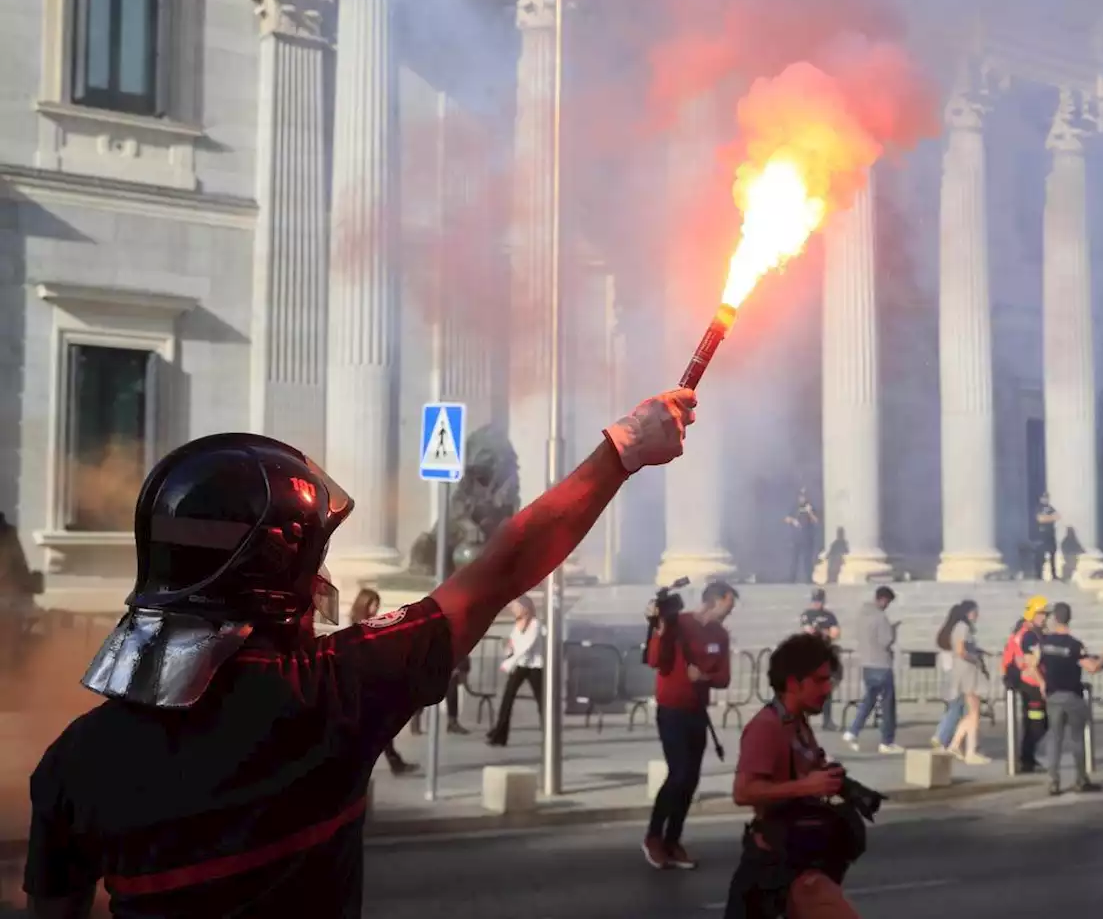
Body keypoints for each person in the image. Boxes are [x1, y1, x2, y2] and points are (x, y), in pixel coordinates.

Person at [22, 389, 696, 918]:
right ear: (272, 579)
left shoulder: (74, 761)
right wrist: (624, 449)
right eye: (311, 562)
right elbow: (503, 566)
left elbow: (55, 910)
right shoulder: (333, 694)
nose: (322, 583)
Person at [723, 632, 859, 919]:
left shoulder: (798, 723)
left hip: (798, 861)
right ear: (794, 683)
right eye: (820, 681)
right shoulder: (767, 727)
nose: (828, 689)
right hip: (770, 872)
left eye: (829, 680)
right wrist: (806, 785)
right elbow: (743, 792)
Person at [642, 580, 737, 871]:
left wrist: (704, 677)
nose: (728, 614)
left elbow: (723, 677)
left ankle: (674, 840)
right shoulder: (679, 624)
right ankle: (653, 837)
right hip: (671, 710)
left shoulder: (720, 635)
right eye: (727, 607)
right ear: (712, 601)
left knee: (691, 777)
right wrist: (659, 628)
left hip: (698, 711)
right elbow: (656, 660)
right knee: (679, 772)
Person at [1039, 602, 1103, 795]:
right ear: (1069, 618)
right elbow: (1092, 668)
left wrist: (1042, 683)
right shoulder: (1074, 644)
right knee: (1077, 740)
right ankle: (1081, 779)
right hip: (1072, 696)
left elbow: (1032, 664)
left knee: (1054, 739)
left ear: (1054, 618)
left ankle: (1053, 781)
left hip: (1053, 695)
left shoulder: (1045, 642)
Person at [349, 588, 421, 775]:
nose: (376, 608)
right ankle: (392, 764)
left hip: (372, 683)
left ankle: (394, 763)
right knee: (375, 731)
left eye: (377, 604)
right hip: (365, 684)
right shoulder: (360, 627)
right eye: (373, 604)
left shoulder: (369, 624)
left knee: (378, 731)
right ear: (364, 604)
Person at [843, 586, 902, 754]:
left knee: (869, 700)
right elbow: (886, 641)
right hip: (882, 664)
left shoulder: (862, 615)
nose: (888, 605)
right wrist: (894, 630)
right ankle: (887, 741)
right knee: (887, 704)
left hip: (867, 664)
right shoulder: (880, 617)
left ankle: (853, 731)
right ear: (883, 599)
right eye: (888, 602)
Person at [486, 595, 545, 747]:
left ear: (525, 608)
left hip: (535, 667)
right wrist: (507, 650)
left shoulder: (535, 625)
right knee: (507, 698)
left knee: (543, 702)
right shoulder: (517, 624)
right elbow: (513, 646)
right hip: (520, 665)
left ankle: (548, 733)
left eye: (515, 607)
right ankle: (500, 734)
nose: (513, 610)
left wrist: (509, 663)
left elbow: (527, 647)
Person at [934, 601, 988, 763]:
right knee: (974, 712)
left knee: (973, 712)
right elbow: (960, 651)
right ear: (968, 612)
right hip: (967, 673)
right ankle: (965, 748)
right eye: (975, 612)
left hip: (966, 672)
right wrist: (975, 658)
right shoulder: (962, 628)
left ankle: (959, 746)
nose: (977, 615)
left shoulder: (961, 628)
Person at [1001, 595, 1049, 774]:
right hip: (1031, 684)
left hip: (1029, 683)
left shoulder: (1026, 631)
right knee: (1037, 723)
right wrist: (1042, 683)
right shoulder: (1029, 635)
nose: (1044, 617)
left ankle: (1027, 758)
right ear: (1032, 614)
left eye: (1045, 613)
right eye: (1041, 613)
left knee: (1035, 723)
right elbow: (1031, 663)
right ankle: (1026, 758)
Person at [799, 589, 840, 731]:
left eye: (820, 600)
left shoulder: (829, 616)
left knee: (826, 689)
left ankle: (827, 720)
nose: (818, 603)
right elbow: (808, 630)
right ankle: (804, 720)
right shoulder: (807, 614)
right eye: (815, 600)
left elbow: (835, 634)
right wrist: (825, 632)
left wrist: (822, 632)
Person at [784, 489, 820, 584]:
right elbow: (786, 518)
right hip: (796, 538)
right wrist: (793, 520)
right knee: (794, 559)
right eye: (801, 497)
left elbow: (816, 520)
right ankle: (792, 579)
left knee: (807, 559)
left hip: (807, 538)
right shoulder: (795, 507)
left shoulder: (810, 507)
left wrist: (810, 512)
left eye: (804, 497)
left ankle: (808, 578)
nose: (802, 498)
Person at [1034, 492, 1060, 581]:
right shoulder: (1038, 508)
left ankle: (1054, 574)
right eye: (1044, 498)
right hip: (1041, 535)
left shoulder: (1051, 508)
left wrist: (1047, 518)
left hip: (1050, 535)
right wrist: (1050, 518)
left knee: (1053, 554)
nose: (1046, 499)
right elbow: (1040, 519)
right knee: (1041, 556)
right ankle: (1038, 575)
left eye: (1047, 498)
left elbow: (1057, 516)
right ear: (1041, 499)